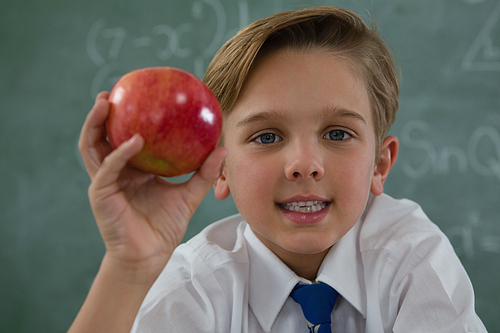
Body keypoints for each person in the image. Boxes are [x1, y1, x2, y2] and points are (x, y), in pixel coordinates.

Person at [69, 6, 487, 333]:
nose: (304, 165)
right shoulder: (197, 286)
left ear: (379, 165)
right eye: (267, 137)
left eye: (338, 134)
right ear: (219, 168)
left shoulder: (411, 258)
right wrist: (131, 266)